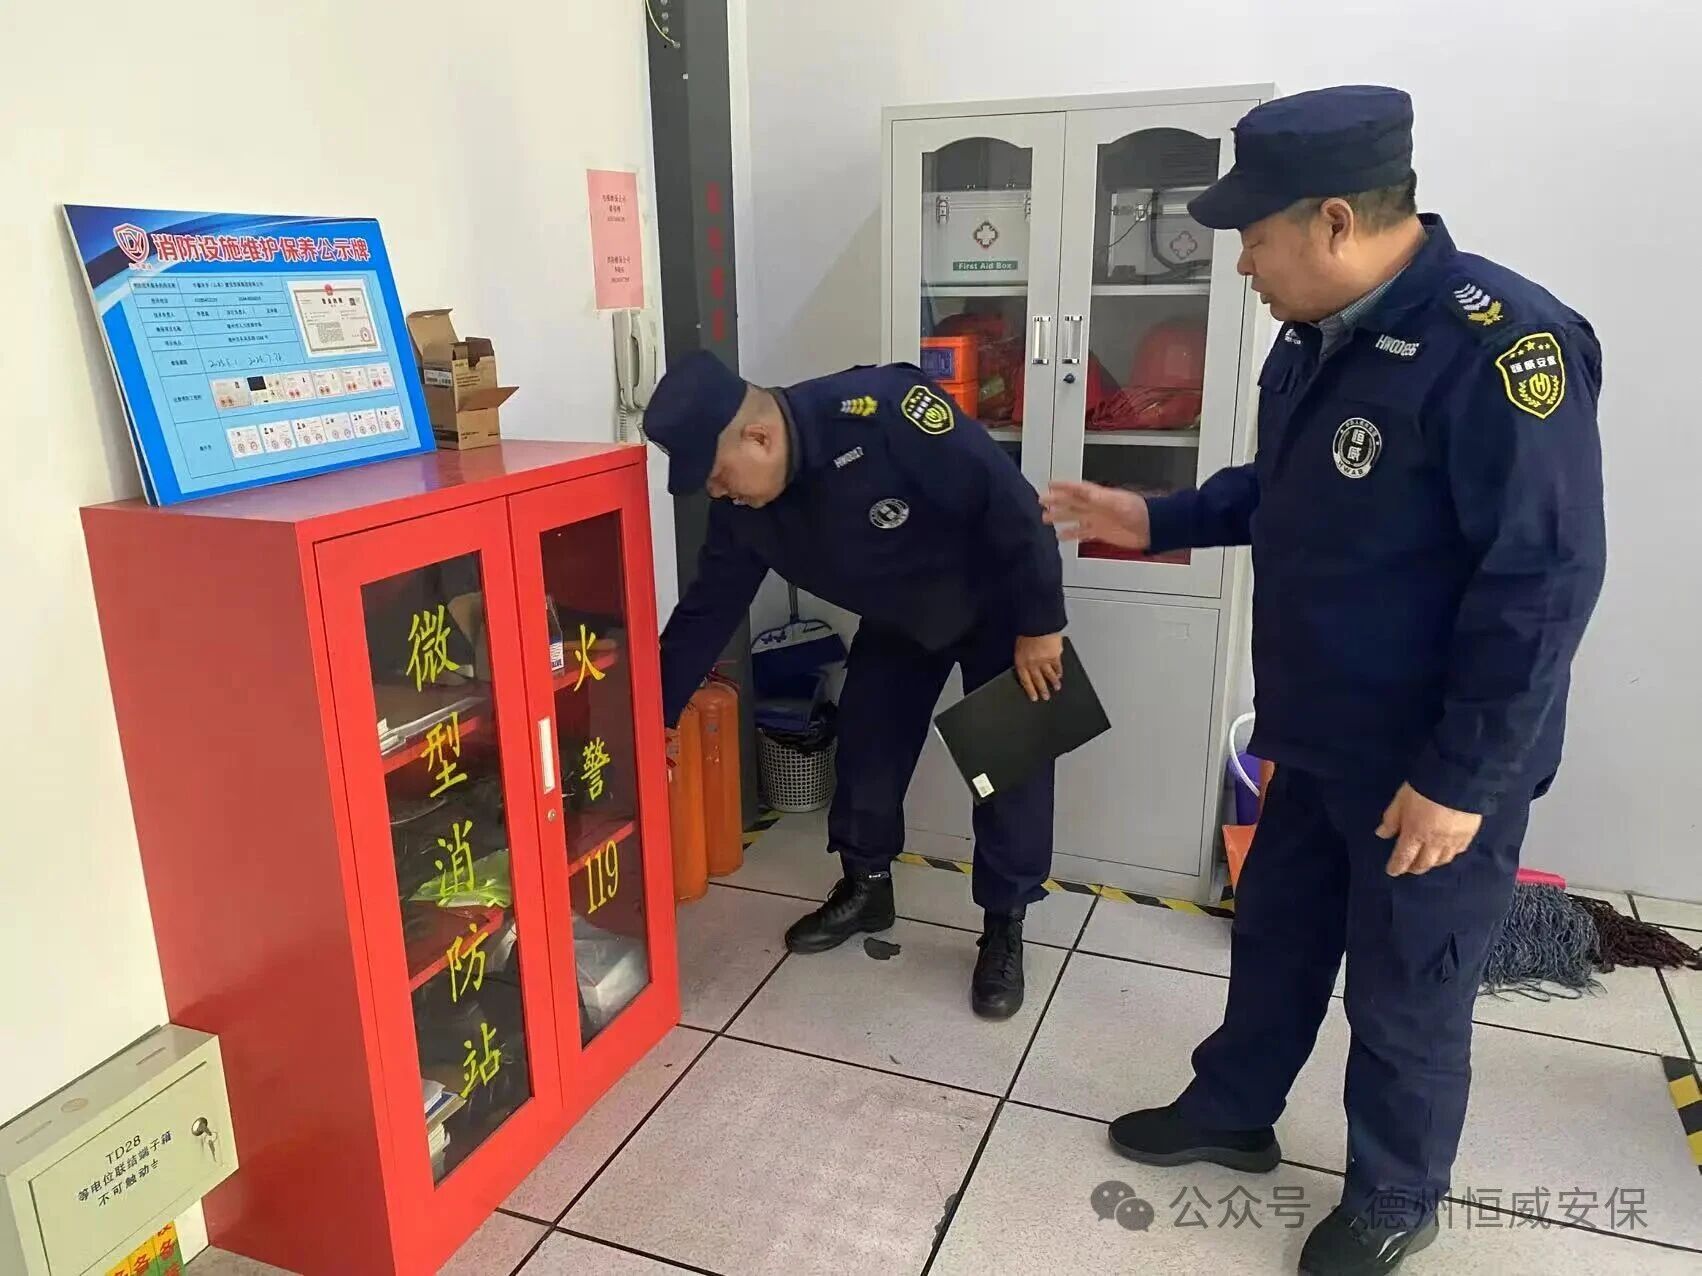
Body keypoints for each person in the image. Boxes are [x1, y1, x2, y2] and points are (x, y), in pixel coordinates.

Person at [1043, 86, 1604, 1276]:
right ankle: (1233, 1109)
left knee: (1404, 988)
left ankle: (1396, 1191)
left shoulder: (1503, 346)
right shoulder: (1315, 335)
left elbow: (1543, 582)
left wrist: (1460, 780)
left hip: (1428, 763)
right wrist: (1153, 515)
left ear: (1335, 220)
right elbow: (1283, 487)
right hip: (1314, 728)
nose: (1243, 263)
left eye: (1254, 236)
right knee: (1278, 937)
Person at [647, 351, 1067, 1018]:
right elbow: (705, 613)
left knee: (1009, 770)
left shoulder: (883, 410)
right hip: (904, 615)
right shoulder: (742, 512)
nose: (719, 493)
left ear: (759, 437)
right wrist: (653, 720)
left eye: (719, 475)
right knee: (867, 746)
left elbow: (1012, 503)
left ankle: (1004, 927)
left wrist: (1042, 624)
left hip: (1002, 605)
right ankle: (867, 889)